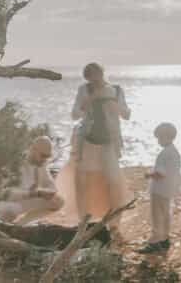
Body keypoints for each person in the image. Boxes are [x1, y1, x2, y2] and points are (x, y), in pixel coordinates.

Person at [56, 62, 131, 235]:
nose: (93, 79)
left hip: (109, 142)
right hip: (88, 141)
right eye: (89, 76)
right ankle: (83, 222)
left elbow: (127, 115)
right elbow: (74, 115)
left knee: (114, 182)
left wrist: (116, 107)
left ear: (102, 73)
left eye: (96, 75)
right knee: (83, 182)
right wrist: (87, 102)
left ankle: (114, 223)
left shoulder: (117, 90)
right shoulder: (84, 89)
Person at [0, 137, 63, 227]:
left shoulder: (42, 163)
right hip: (9, 202)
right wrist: (34, 193)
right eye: (43, 155)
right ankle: (8, 226)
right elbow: (5, 194)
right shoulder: (15, 164)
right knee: (9, 210)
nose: (45, 159)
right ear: (33, 149)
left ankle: (22, 225)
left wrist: (49, 193)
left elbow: (50, 184)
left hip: (27, 201)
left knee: (59, 201)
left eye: (48, 156)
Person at [138, 123, 181, 254]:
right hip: (169, 189)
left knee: (157, 215)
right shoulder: (175, 152)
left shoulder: (164, 154)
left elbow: (160, 174)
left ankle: (155, 241)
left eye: (159, 138)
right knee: (165, 214)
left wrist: (148, 175)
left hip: (159, 190)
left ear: (165, 137)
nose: (158, 141)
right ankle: (165, 238)